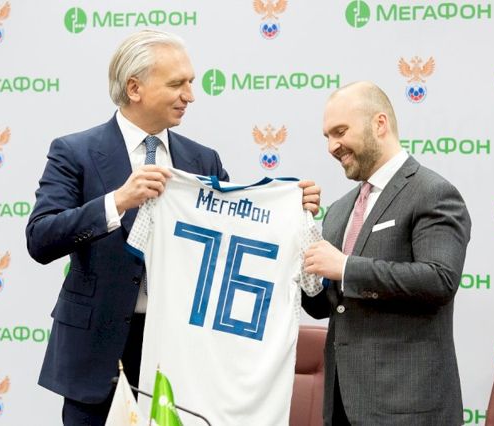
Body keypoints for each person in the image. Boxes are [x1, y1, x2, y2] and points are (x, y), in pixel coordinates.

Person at [25, 29, 320, 425]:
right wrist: (117, 201)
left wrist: (288, 211)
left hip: (182, 356)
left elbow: (232, 238)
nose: (190, 95)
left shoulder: (202, 160)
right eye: (177, 84)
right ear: (135, 88)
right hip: (97, 356)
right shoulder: (74, 152)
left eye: (191, 83)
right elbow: (41, 238)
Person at [302, 81, 471, 426]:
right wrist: (296, 238)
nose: (332, 146)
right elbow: (322, 306)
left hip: (408, 410)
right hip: (342, 408)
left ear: (379, 124)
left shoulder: (433, 192)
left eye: (340, 132)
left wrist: (346, 267)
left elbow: (440, 279)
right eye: (327, 137)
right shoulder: (339, 210)